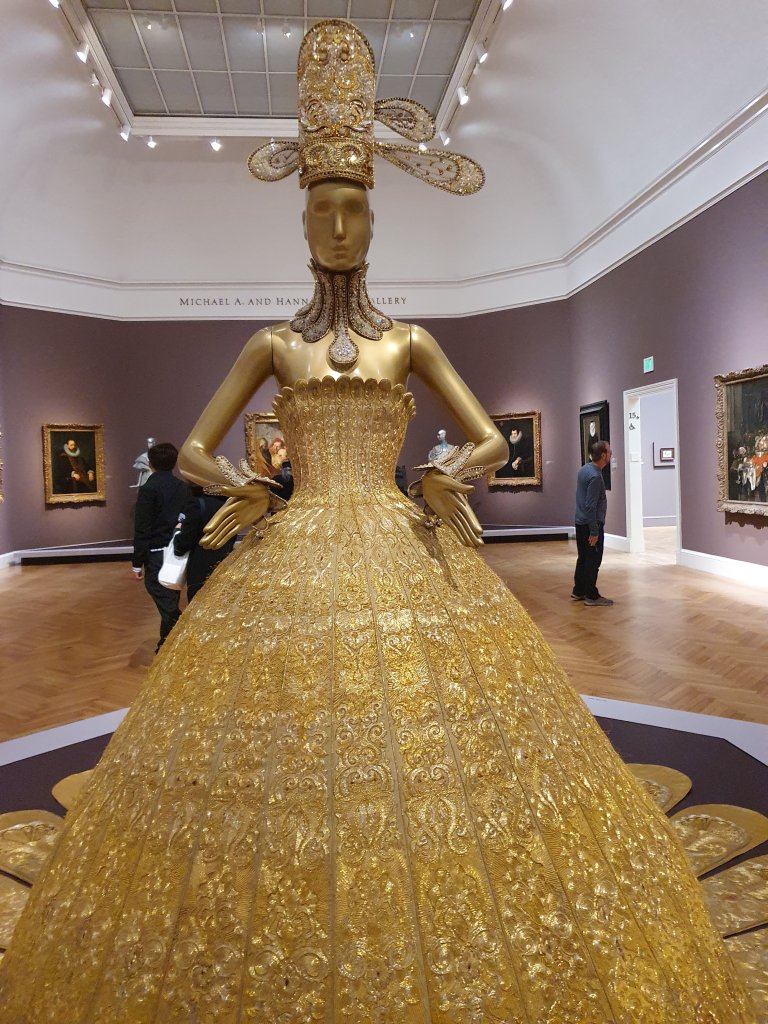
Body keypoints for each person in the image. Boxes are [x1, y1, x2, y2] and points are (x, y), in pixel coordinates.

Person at [1, 22, 753, 1024]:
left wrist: (447, 477)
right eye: (323, 208)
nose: (340, 226)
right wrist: (251, 488)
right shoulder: (274, 344)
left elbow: (488, 439)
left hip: (404, 541)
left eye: (354, 206)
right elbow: (193, 449)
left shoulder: (409, 343)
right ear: (302, 222)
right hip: (297, 541)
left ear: (374, 219)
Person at [130, 441, 191, 650]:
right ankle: (166, 646)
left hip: (156, 554)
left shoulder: (149, 489)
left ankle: (180, 637)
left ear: (151, 463)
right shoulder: (182, 487)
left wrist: (137, 562)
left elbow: (142, 528)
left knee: (166, 602)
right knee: (170, 597)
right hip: (177, 551)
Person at [172, 486, 236, 600]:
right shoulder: (231, 504)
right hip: (226, 563)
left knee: (198, 602)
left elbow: (186, 539)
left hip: (200, 566)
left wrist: (177, 535)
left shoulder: (197, 504)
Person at [573, 438, 613, 606]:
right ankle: (591, 595)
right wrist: (595, 531)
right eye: (609, 451)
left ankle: (578, 590)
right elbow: (591, 505)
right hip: (591, 524)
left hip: (580, 522)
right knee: (593, 560)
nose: (611, 454)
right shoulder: (595, 476)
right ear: (603, 455)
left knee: (583, 557)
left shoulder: (584, 469)